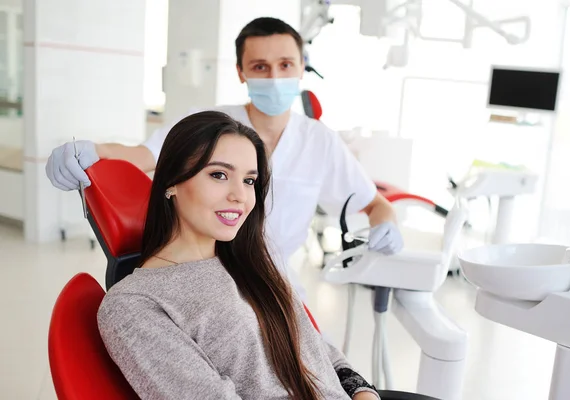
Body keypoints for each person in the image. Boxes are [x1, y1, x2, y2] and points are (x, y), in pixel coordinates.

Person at [45, 17, 403, 300]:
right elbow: (144, 155)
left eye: (284, 64)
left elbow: (374, 204)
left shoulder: (319, 141)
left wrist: (386, 223)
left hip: (275, 283)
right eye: (260, 67)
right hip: (202, 276)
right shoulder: (210, 124)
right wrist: (91, 150)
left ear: (301, 68)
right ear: (241, 72)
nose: (274, 77)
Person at [97, 111, 380, 399]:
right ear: (172, 181)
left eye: (248, 181)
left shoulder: (253, 263)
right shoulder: (135, 303)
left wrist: (362, 392)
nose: (240, 196)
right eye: (219, 175)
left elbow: (314, 347)